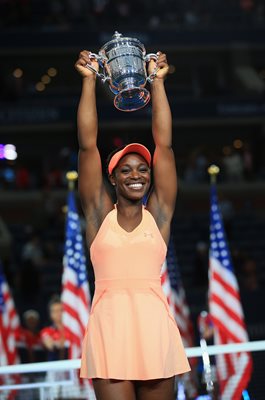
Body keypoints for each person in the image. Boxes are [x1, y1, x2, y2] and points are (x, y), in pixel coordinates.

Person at [75, 49, 190, 400]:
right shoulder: (98, 216)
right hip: (110, 331)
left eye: (142, 168)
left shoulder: (159, 216)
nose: (136, 174)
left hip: (153, 328)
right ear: (112, 179)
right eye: (125, 169)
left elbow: (165, 146)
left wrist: (157, 82)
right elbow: (87, 146)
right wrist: (88, 82)